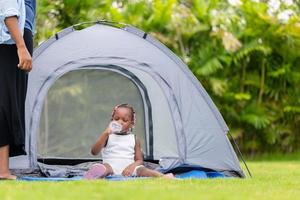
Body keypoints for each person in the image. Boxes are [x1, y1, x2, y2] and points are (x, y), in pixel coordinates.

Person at [84, 104, 174, 179]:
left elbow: (139, 160)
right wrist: (105, 133)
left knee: (142, 170)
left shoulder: (134, 138)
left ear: (131, 123)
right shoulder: (108, 136)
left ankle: (162, 176)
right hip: (111, 167)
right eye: (116, 118)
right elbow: (94, 152)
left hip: (129, 168)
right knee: (105, 167)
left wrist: (132, 167)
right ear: (112, 120)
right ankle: (95, 174)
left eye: (125, 120)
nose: (120, 122)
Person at [0, 0, 35, 180]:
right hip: (10, 44)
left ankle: (3, 169)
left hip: (11, 41)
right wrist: (21, 47)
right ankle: (2, 170)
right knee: (6, 104)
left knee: (6, 103)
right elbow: (9, 12)